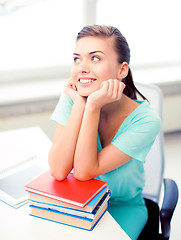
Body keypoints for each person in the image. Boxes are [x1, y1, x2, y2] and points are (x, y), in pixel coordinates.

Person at [48, 25, 161, 239]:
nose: (82, 68)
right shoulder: (73, 98)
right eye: (77, 59)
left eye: (95, 58)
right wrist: (80, 106)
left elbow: (84, 171)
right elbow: (58, 169)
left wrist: (92, 107)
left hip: (121, 207)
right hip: (80, 203)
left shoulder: (146, 121)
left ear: (122, 70)